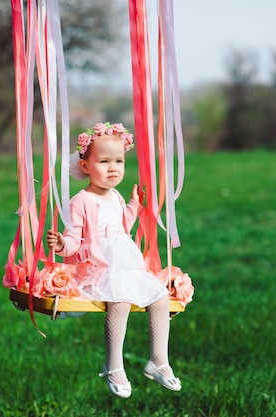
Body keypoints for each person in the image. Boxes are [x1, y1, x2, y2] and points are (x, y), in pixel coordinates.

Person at [46, 122, 181, 398]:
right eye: (104, 161)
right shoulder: (80, 201)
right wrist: (62, 244)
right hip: (98, 268)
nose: (113, 168)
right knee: (119, 300)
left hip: (124, 263)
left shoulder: (117, 196)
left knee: (159, 295)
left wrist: (133, 206)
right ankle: (114, 365)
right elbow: (74, 240)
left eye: (118, 161)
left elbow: (123, 228)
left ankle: (158, 359)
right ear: (85, 167)